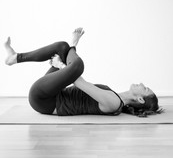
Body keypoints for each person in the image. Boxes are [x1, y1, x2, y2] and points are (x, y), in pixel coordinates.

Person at [4, 28, 162, 117]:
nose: (142, 84)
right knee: (62, 47)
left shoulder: (114, 103)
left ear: (140, 99)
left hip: (45, 101)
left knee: (78, 65)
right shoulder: (115, 97)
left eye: (145, 88)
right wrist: (63, 62)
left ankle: (73, 44)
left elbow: (79, 83)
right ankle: (15, 57)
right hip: (54, 93)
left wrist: (61, 65)